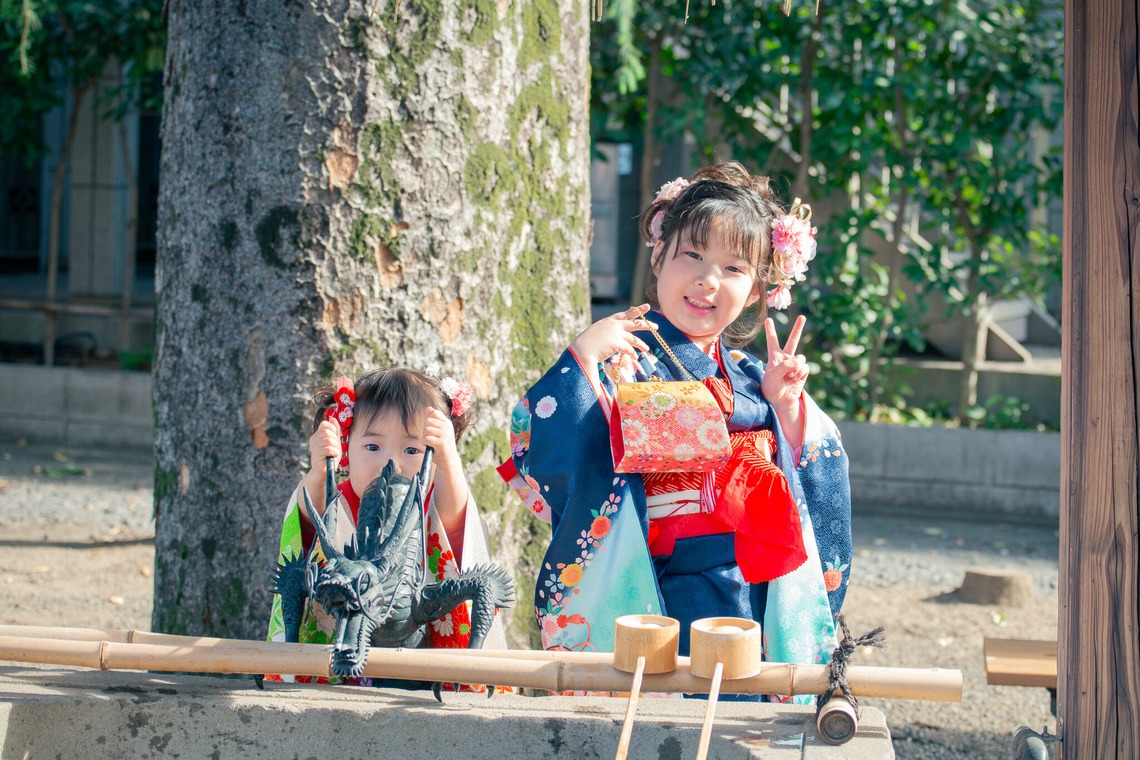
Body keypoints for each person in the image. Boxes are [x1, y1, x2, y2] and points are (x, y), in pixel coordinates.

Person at [500, 162, 851, 699]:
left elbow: (812, 474)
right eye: (693, 255)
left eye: (733, 268)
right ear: (659, 255)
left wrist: (786, 410)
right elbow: (551, 445)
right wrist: (585, 357)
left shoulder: (754, 378)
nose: (708, 280)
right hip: (652, 585)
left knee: (737, 714)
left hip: (746, 584)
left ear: (759, 288)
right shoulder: (622, 363)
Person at [266, 367, 507, 686]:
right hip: (345, 645)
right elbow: (309, 528)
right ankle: (289, 659)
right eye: (373, 447)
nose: (390, 463)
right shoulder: (339, 500)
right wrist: (318, 471)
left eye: (411, 450)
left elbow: (454, 521)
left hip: (423, 645)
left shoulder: (433, 499)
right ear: (346, 448)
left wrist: (449, 464)